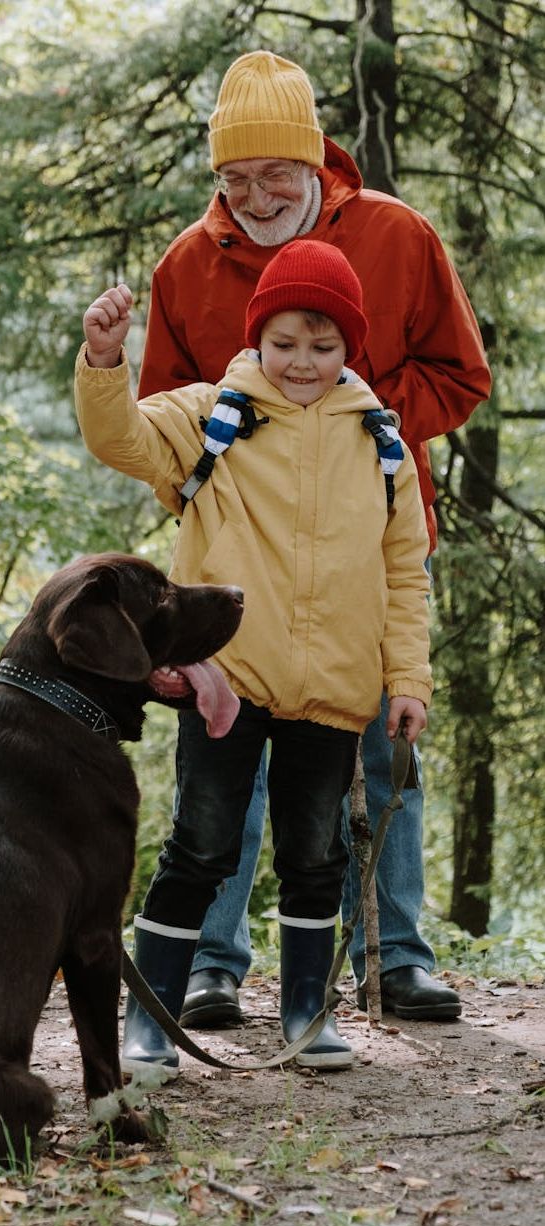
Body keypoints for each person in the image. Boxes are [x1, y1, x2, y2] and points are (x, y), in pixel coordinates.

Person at [136, 49, 491, 1028]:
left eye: (273, 174)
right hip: (233, 567)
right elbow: (155, 415)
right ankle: (212, 962)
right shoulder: (184, 264)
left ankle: (395, 954)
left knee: (377, 742)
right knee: (223, 752)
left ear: (313, 161)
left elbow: (459, 376)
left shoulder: (396, 235)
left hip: (366, 542)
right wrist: (224, 480)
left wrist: (353, 431)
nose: (253, 195)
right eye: (232, 177)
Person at [76, 237, 432, 1077]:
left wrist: (406, 679)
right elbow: (120, 438)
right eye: (283, 344)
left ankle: (308, 1012)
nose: (301, 362)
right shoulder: (212, 414)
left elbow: (403, 573)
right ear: (256, 339)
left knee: (316, 857)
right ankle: (152, 1017)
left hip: (336, 690)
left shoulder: (382, 446)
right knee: (200, 847)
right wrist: (102, 360)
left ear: (350, 347)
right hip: (224, 684)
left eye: (322, 346)